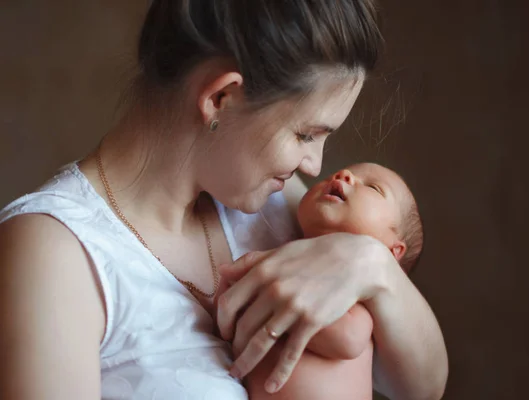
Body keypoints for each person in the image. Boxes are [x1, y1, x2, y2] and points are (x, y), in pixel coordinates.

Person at [0, 1, 448, 399]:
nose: (315, 165)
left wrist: (372, 265)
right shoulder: (55, 253)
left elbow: (420, 387)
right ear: (221, 97)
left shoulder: (287, 207)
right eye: (305, 134)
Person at [245, 162, 424, 400]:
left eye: (373, 188)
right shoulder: (286, 257)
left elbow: (348, 338)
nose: (345, 175)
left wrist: (269, 305)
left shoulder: (354, 291)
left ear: (393, 252)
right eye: (336, 173)